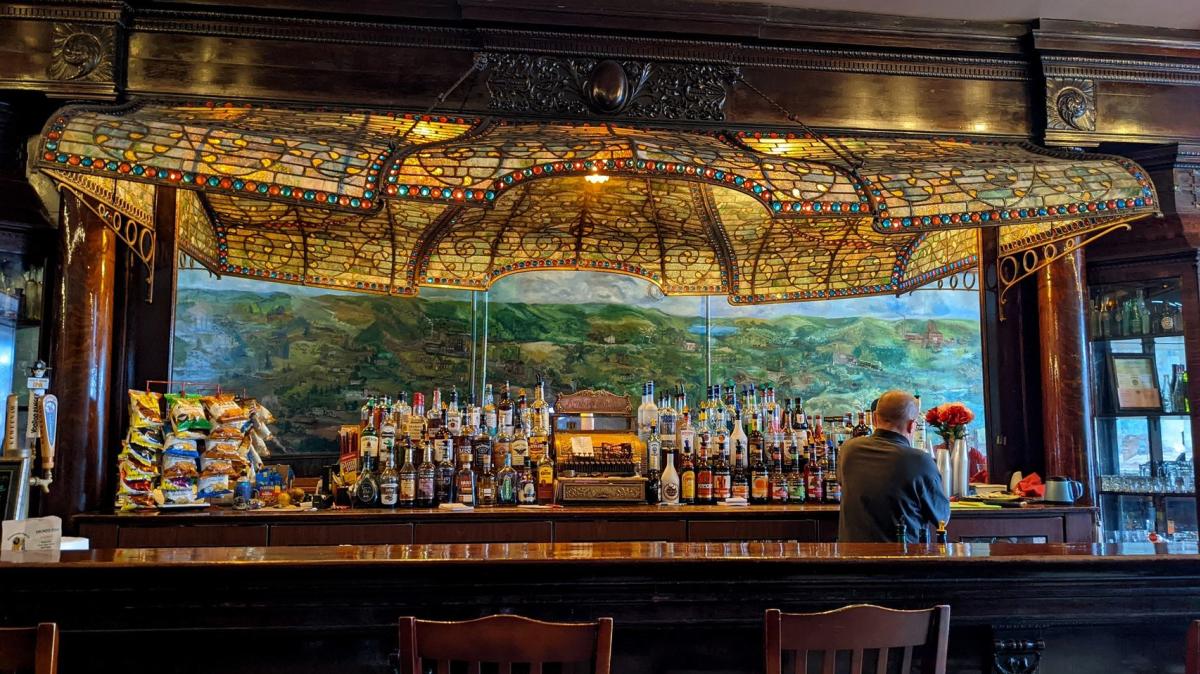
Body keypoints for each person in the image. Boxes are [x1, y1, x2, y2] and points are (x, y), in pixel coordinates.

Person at [837, 390, 950, 543]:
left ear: (875, 419)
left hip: (851, 560)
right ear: (911, 426)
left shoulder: (847, 450)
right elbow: (941, 517)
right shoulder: (920, 460)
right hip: (902, 561)